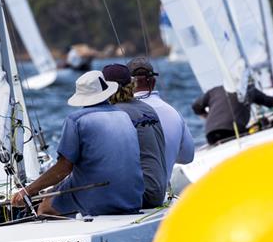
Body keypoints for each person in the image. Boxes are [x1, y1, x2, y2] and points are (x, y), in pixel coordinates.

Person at [11, 70, 143, 216]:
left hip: (99, 199)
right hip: (133, 199)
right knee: (52, 192)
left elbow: (63, 169)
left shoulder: (77, 120)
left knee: (44, 207)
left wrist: (27, 191)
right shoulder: (124, 116)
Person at [102, 63, 168, 208]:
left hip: (141, 195)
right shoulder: (148, 109)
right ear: (131, 84)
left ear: (105, 89)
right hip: (158, 193)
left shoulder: (115, 114)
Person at [128, 57, 194, 180]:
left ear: (126, 84)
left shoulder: (120, 114)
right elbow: (188, 157)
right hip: (161, 194)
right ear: (153, 82)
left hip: (130, 196)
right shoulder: (174, 113)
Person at [192, 85, 273, 145]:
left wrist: (208, 117)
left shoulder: (214, 91)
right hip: (232, 133)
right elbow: (271, 102)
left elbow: (196, 107)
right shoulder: (248, 89)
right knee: (263, 123)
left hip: (210, 135)